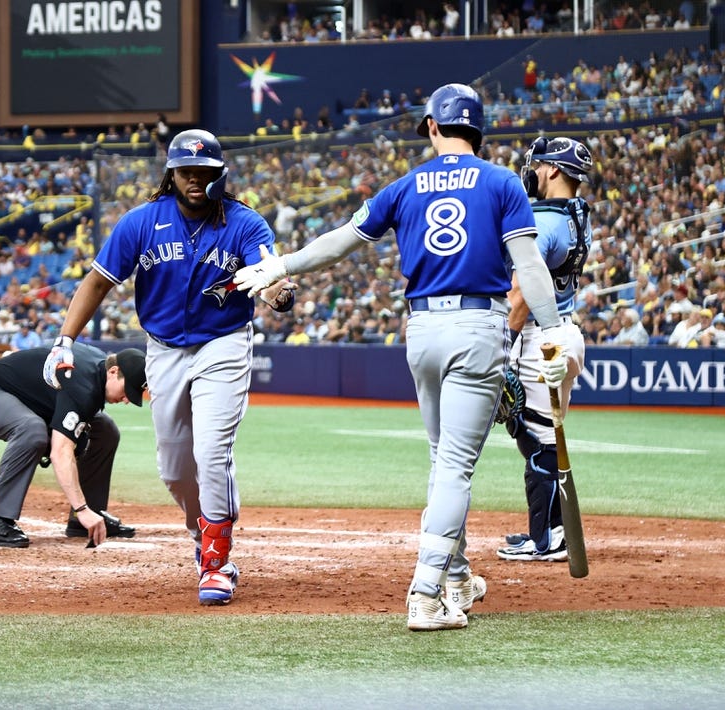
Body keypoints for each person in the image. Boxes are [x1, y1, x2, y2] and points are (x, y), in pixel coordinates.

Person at [233, 84, 571, 631]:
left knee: (443, 463)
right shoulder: (503, 181)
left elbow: (341, 241)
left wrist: (282, 267)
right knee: (456, 467)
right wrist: (553, 331)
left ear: (434, 128)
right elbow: (529, 267)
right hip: (476, 325)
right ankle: (424, 592)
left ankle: (457, 578)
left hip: (422, 330)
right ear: (478, 130)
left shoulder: (406, 184)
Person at [42, 129, 296, 606]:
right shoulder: (141, 222)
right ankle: (203, 531)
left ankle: (217, 561)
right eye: (186, 171)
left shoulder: (245, 224)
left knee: (211, 448)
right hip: (163, 349)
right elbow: (97, 282)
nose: (195, 179)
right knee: (175, 467)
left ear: (219, 174)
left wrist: (276, 292)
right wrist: (65, 339)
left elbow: (269, 276)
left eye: (204, 172)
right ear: (171, 175)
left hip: (222, 345)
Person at [497, 135, 594, 563]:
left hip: (540, 334)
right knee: (537, 432)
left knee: (536, 438)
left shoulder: (545, 222)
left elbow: (521, 291)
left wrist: (503, 347)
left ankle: (548, 538)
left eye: (538, 166)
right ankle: (548, 530)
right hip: (562, 330)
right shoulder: (576, 215)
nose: (531, 172)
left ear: (553, 170)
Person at [0, 344, 146, 548]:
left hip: (33, 401)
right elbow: (61, 452)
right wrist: (80, 506)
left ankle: (85, 520)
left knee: (105, 430)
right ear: (113, 372)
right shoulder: (84, 385)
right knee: (32, 430)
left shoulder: (97, 372)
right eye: (127, 390)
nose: (127, 399)